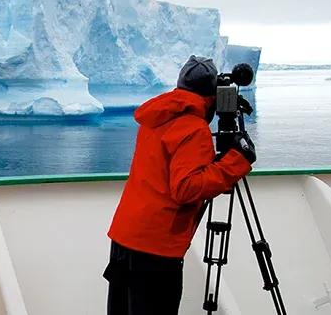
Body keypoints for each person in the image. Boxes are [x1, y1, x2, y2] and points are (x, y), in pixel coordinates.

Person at [103, 55, 256, 315]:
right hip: (156, 249)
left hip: (125, 238)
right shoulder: (193, 128)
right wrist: (234, 163)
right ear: (211, 95)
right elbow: (187, 188)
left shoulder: (157, 117)